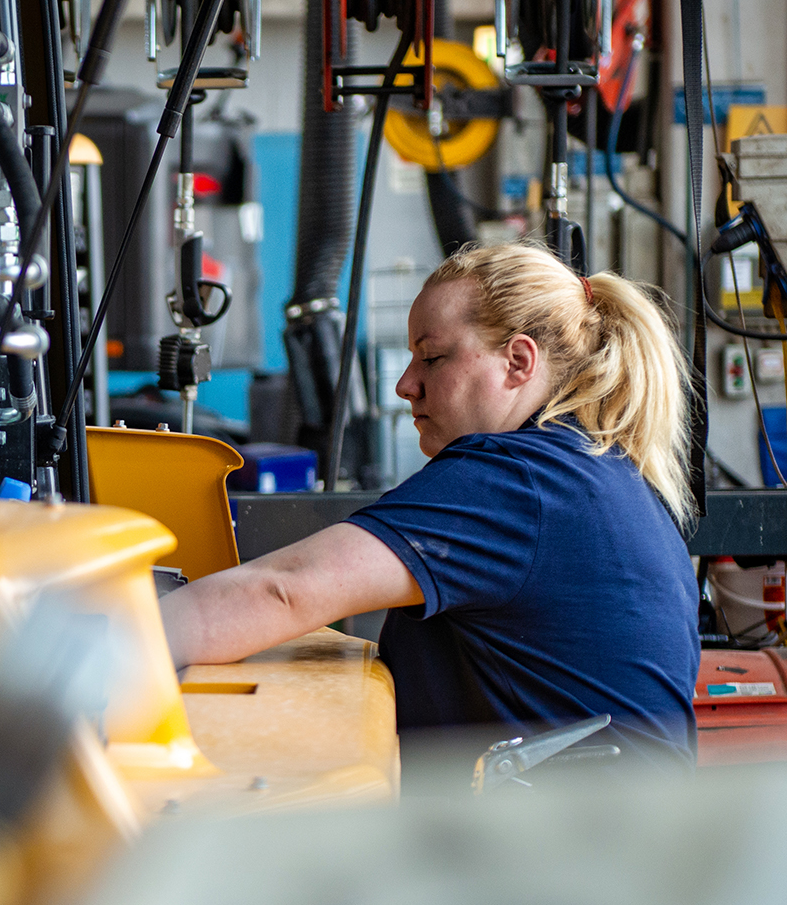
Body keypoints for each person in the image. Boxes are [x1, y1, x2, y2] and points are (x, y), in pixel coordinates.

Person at [161, 243, 700, 772]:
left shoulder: (518, 481)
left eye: (433, 358)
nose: (404, 384)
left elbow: (283, 590)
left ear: (517, 361)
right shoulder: (608, 475)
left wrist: (95, 645)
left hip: (556, 851)